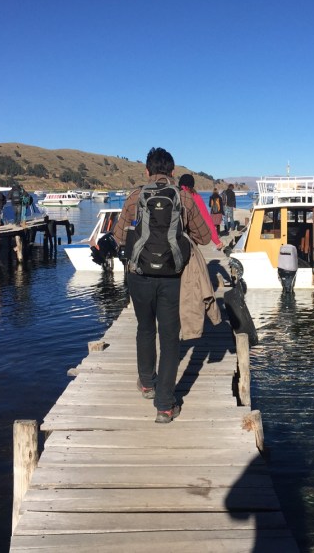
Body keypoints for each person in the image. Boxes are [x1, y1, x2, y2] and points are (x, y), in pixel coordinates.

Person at [114, 148, 211, 424]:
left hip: (139, 275)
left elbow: (119, 236)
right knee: (170, 339)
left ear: (146, 172)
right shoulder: (183, 197)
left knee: (145, 328)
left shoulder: (135, 197)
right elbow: (203, 238)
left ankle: (147, 384)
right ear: (172, 170)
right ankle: (165, 406)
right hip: (172, 277)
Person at [179, 174, 222, 250]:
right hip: (190, 237)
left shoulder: (175, 194)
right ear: (192, 185)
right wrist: (216, 241)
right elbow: (206, 219)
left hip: (174, 236)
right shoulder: (195, 197)